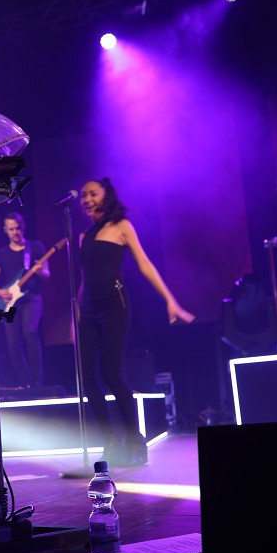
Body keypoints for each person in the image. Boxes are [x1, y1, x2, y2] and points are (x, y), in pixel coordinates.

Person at [77, 178, 195, 467]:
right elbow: (84, 278)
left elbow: (145, 264)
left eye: (93, 193)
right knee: (88, 379)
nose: (86, 198)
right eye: (84, 195)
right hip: (88, 310)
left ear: (106, 196)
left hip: (115, 306)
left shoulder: (121, 227)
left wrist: (171, 300)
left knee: (111, 372)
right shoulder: (84, 236)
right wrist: (77, 313)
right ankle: (110, 442)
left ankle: (134, 441)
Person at [0, 212, 48, 389]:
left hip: (31, 298)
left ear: (22, 227)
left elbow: (47, 274)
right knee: (12, 344)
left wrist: (40, 271)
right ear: (5, 231)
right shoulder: (1, 255)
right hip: (9, 303)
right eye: (11, 229)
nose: (15, 232)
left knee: (30, 332)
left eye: (17, 228)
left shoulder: (35, 247)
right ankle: (26, 384)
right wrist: (0, 292)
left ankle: (38, 382)